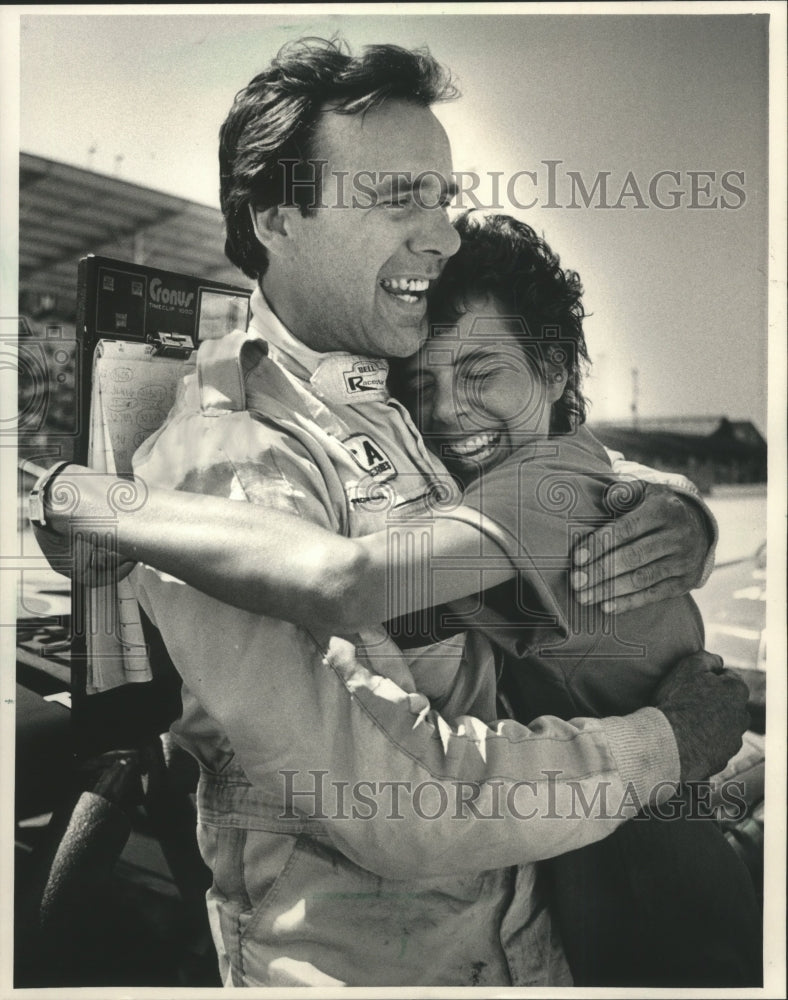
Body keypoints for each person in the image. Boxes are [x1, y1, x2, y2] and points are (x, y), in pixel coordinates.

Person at [31, 39, 750, 988]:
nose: (443, 235)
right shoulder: (232, 449)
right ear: (277, 217)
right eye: (399, 197)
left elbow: (547, 452)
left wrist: (682, 513)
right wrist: (664, 744)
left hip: (532, 940)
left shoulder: (394, 391)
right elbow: (394, 799)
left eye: (443, 199)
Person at [389, 211, 762, 985]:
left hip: (645, 884)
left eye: (481, 372)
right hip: (634, 851)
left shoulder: (538, 500)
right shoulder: (576, 471)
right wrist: (686, 502)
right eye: (422, 385)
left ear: (555, 370)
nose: (446, 410)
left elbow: (366, 593)